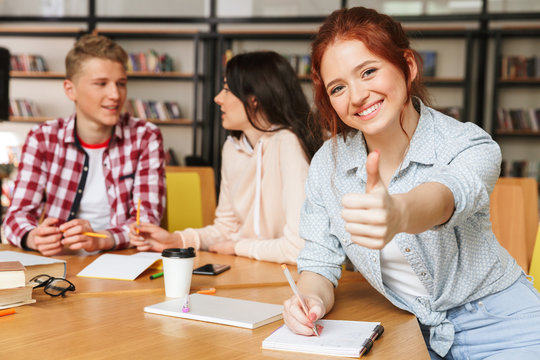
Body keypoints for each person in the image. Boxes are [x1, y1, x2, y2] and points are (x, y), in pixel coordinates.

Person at [282, 7, 540, 360]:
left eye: (369, 71)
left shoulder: (468, 144)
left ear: (407, 65)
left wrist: (399, 213)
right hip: (410, 327)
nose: (356, 96)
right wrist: (310, 299)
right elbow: (319, 260)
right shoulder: (328, 163)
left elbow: (446, 197)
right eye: (338, 87)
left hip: (502, 321)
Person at [130, 51, 323, 264]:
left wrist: (238, 247)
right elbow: (226, 228)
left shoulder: (288, 143)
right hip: (251, 267)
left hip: (289, 276)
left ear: (254, 99)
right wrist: (177, 239)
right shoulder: (232, 148)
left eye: (227, 90)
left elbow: (299, 248)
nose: (218, 98)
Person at [2, 34, 166, 256]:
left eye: (121, 83)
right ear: (70, 90)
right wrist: (33, 237)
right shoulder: (43, 138)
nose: (115, 94)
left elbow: (146, 223)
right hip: (62, 261)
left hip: (123, 260)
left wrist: (102, 240)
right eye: (101, 84)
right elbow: (16, 216)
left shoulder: (145, 137)